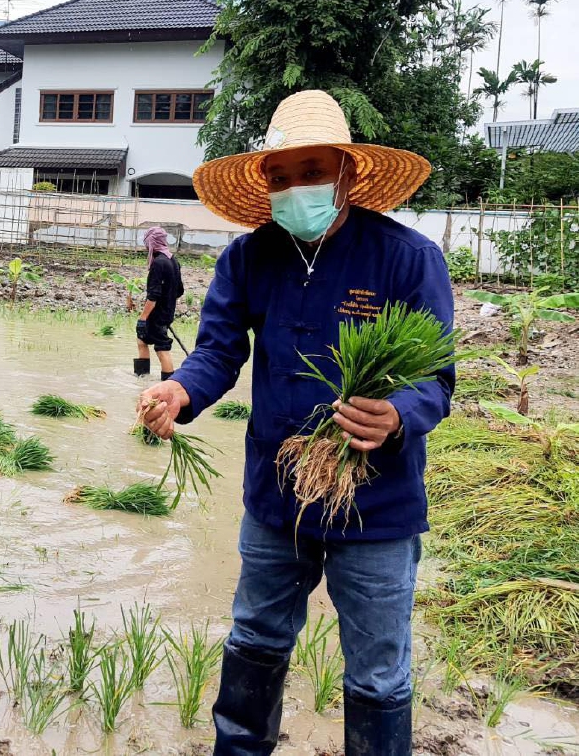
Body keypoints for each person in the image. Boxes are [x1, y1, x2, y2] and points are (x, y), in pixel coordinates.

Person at [139, 91, 453, 756]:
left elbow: (436, 380)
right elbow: (220, 353)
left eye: (310, 172)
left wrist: (396, 413)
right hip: (277, 499)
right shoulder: (249, 258)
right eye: (279, 177)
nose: (294, 189)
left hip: (378, 507)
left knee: (377, 671)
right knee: (255, 638)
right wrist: (179, 393)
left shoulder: (406, 258)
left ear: (347, 172)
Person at [134, 225, 183, 380]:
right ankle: (142, 379)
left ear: (152, 243)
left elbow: (153, 296)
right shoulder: (172, 260)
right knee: (142, 340)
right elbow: (179, 290)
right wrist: (167, 305)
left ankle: (167, 383)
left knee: (162, 349)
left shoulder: (158, 263)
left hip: (156, 315)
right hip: (166, 313)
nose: (145, 245)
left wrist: (143, 318)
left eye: (147, 242)